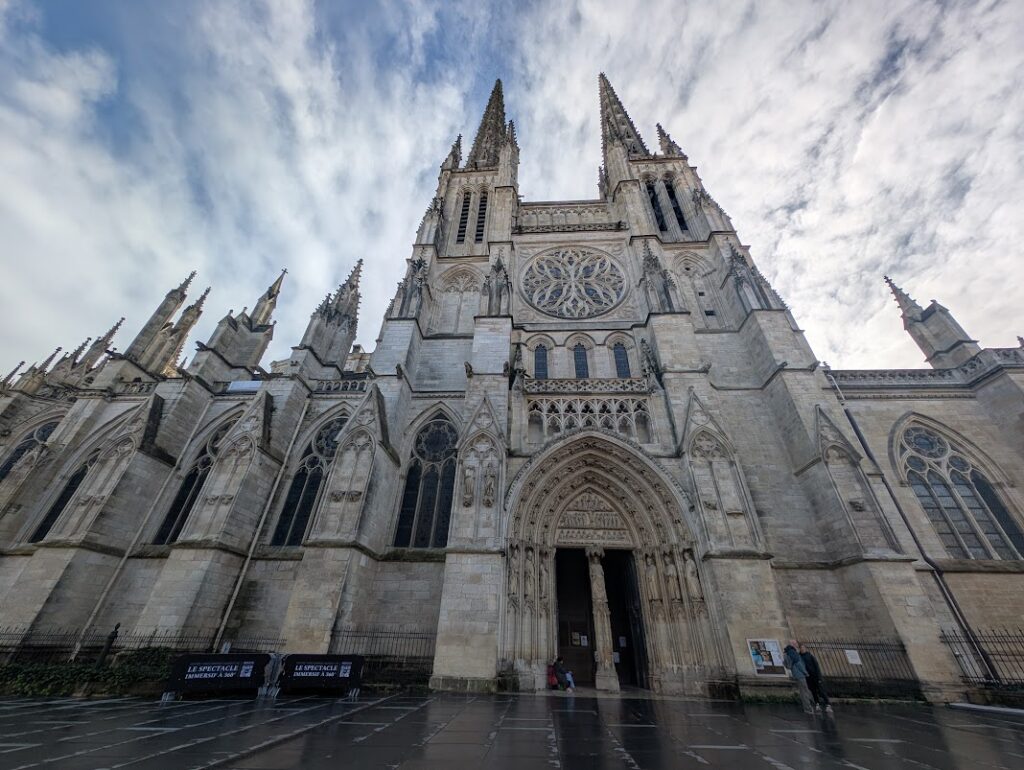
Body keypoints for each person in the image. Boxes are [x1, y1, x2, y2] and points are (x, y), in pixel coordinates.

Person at [799, 643, 833, 714]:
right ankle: (817, 704)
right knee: (813, 691)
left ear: (805, 648)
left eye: (803, 648)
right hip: (808, 677)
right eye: (801, 648)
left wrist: (819, 677)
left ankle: (828, 704)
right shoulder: (799, 657)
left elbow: (816, 666)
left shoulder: (810, 656)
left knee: (821, 690)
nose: (802, 649)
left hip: (815, 676)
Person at [783, 639, 815, 714]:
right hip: (800, 674)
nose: (797, 645)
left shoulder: (787, 652)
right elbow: (799, 664)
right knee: (804, 691)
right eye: (796, 644)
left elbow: (787, 664)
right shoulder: (793, 652)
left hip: (796, 674)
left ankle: (811, 704)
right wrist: (805, 672)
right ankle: (808, 708)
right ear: (794, 644)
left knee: (804, 691)